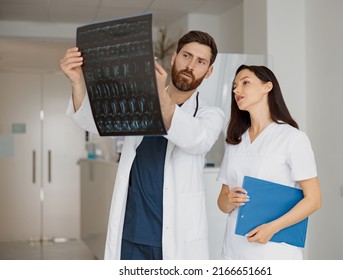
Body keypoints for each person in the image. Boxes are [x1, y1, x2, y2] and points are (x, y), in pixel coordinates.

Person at [59, 30, 224, 260]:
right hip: (131, 231)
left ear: (209, 72)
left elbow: (196, 140)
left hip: (176, 237)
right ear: (174, 57)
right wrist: (77, 82)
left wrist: (159, 95)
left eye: (201, 61)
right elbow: (96, 123)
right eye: (186, 56)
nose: (191, 65)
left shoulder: (210, 115)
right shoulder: (141, 101)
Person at [217, 65, 321, 260]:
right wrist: (229, 200)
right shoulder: (235, 141)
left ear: (267, 87)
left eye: (245, 83)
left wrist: (272, 228)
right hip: (232, 250)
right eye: (234, 86)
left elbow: (314, 200)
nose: (236, 90)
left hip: (273, 251)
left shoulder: (292, 138)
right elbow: (222, 202)